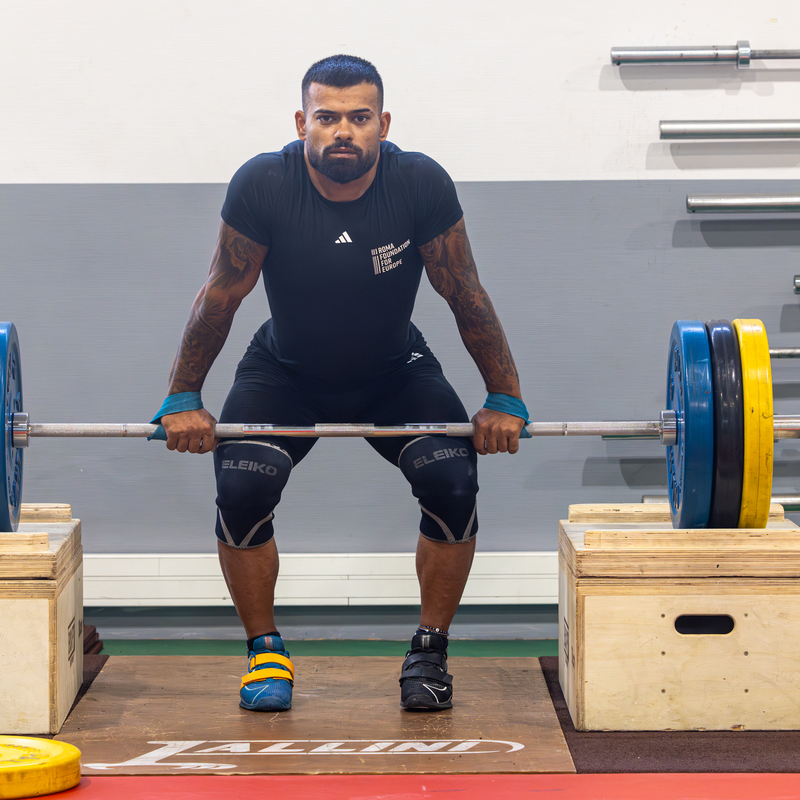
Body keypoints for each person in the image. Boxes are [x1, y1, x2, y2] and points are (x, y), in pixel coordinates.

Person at [155, 54, 526, 712]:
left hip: (394, 374)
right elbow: (221, 294)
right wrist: (185, 397)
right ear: (303, 123)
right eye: (327, 117)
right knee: (241, 487)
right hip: (285, 374)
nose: (343, 131)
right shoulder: (264, 185)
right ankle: (264, 649)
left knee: (453, 481)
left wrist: (504, 396)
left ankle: (429, 652)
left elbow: (462, 290)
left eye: (359, 117)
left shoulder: (420, 184)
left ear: (383, 123)